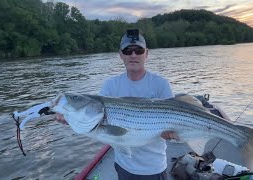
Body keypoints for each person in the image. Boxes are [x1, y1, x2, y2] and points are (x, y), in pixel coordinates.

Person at [56, 29, 178, 180]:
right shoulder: (110, 85)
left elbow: (175, 127)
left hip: (153, 168)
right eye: (128, 51)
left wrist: (172, 134)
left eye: (138, 50)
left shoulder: (161, 84)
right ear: (121, 54)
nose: (133, 55)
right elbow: (92, 120)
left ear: (146, 53)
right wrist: (71, 119)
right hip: (123, 166)